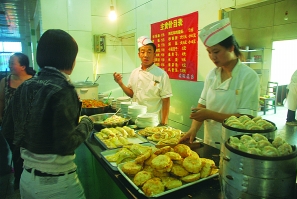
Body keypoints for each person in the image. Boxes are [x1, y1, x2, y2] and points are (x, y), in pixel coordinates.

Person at [1, 29, 94, 198]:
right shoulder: (64, 89)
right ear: (70, 59)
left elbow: (7, 129)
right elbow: (66, 143)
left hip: (26, 180)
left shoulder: (25, 85)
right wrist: (87, 122)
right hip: (57, 185)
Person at [180, 18, 260, 149]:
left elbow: (246, 118)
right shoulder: (212, 74)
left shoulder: (248, 76)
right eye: (209, 52)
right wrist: (193, 129)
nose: (212, 56)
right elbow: (202, 104)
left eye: (216, 51)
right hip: (210, 140)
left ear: (231, 48)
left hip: (236, 144)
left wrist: (209, 114)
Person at [113, 36, 173, 125]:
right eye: (143, 52)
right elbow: (131, 94)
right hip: (134, 119)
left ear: (154, 55)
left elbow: (166, 100)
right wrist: (120, 83)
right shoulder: (134, 72)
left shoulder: (162, 74)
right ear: (139, 55)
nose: (146, 55)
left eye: (149, 52)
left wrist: (164, 123)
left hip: (151, 121)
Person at [0, 52, 36, 188]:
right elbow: (1, 100)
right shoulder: (6, 81)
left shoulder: (35, 80)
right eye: (9, 63)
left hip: (30, 126)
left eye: (12, 63)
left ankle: (28, 178)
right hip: (10, 125)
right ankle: (18, 179)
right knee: (15, 152)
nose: (9, 66)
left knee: (27, 152)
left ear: (23, 66)